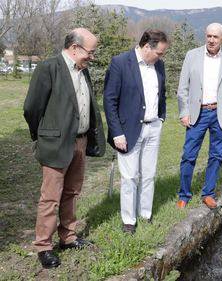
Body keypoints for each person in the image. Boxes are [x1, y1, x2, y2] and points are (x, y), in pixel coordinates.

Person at [23, 28, 106, 269]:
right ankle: (44, 246)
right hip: (56, 144)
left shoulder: (84, 70)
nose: (92, 56)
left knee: (72, 192)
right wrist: (44, 135)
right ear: (74, 48)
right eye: (90, 52)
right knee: (50, 197)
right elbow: (32, 108)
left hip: (80, 142)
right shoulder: (49, 68)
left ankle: (68, 237)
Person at [103, 29, 169, 235]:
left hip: (153, 127)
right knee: (130, 177)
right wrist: (116, 132)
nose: (161, 57)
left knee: (149, 175)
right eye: (159, 52)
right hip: (128, 131)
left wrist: (161, 117)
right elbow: (109, 100)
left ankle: (145, 214)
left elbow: (162, 94)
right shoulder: (121, 63)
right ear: (147, 46)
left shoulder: (159, 65)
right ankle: (129, 221)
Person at [177, 23, 222, 209]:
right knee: (189, 155)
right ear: (205, 36)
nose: (211, 40)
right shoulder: (192, 55)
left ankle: (208, 193)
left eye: (216, 37)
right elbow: (183, 89)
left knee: (217, 156)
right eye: (209, 36)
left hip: (220, 113)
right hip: (197, 113)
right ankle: (184, 195)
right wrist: (184, 112)